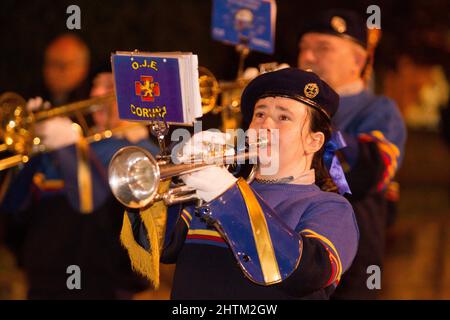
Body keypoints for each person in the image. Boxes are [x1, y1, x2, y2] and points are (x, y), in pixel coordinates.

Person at [121, 68, 359, 299]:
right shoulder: (213, 187)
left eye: (283, 117)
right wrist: (174, 176)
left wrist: (226, 196)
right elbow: (157, 246)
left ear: (313, 141)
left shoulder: (331, 207)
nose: (265, 125)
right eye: (260, 114)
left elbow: (307, 274)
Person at [1, 73, 158, 299]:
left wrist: (69, 147)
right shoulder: (74, 146)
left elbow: (91, 203)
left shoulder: (141, 151)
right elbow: (13, 205)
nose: (96, 94)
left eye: (108, 86)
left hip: (103, 285)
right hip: (45, 279)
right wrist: (28, 148)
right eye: (95, 86)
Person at [297, 9, 407, 299]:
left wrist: (304, 124)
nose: (308, 57)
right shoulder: (289, 107)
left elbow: (363, 177)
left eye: (323, 48)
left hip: (353, 263)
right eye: (304, 48)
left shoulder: (379, 110)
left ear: (358, 60)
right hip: (295, 252)